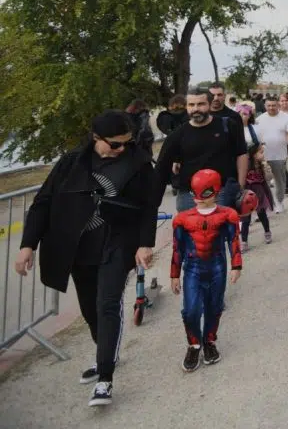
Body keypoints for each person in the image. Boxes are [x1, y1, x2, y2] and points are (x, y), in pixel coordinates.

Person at [14, 110, 160, 407]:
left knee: (107, 304)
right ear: (96, 138)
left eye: (127, 143)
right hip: (78, 249)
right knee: (90, 309)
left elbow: (149, 207)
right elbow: (43, 203)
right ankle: (104, 353)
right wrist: (27, 244)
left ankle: (105, 379)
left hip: (117, 243)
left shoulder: (139, 163)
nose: (122, 149)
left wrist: (145, 243)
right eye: (116, 144)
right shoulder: (71, 163)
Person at [170, 169, 242, 373]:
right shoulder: (183, 219)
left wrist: (237, 265)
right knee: (191, 310)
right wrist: (174, 274)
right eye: (196, 193)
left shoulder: (227, 215)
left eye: (205, 193)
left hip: (217, 267)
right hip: (192, 269)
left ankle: (209, 341)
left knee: (214, 307)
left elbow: (234, 241)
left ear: (216, 192)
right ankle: (194, 344)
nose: (199, 199)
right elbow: (178, 248)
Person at [155, 88, 248, 213]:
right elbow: (161, 169)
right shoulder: (177, 135)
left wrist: (240, 187)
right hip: (189, 197)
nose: (195, 109)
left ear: (210, 105)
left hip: (222, 193)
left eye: (201, 104)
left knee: (223, 232)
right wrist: (152, 203)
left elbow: (241, 154)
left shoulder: (228, 125)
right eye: (191, 105)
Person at [255, 95, 288, 211]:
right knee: (263, 183)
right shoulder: (259, 119)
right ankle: (266, 205)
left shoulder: (286, 118)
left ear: (278, 105)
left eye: (273, 105)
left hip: (280, 156)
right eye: (269, 105)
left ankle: (279, 202)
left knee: (280, 181)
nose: (271, 108)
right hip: (264, 157)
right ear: (265, 106)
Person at [240, 143, 273, 251]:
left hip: (259, 193)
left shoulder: (261, 164)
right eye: (261, 152)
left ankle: (267, 232)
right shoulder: (246, 165)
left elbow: (267, 179)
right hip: (247, 194)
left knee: (262, 213)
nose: (263, 154)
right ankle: (244, 241)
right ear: (254, 154)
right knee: (246, 218)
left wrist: (266, 166)